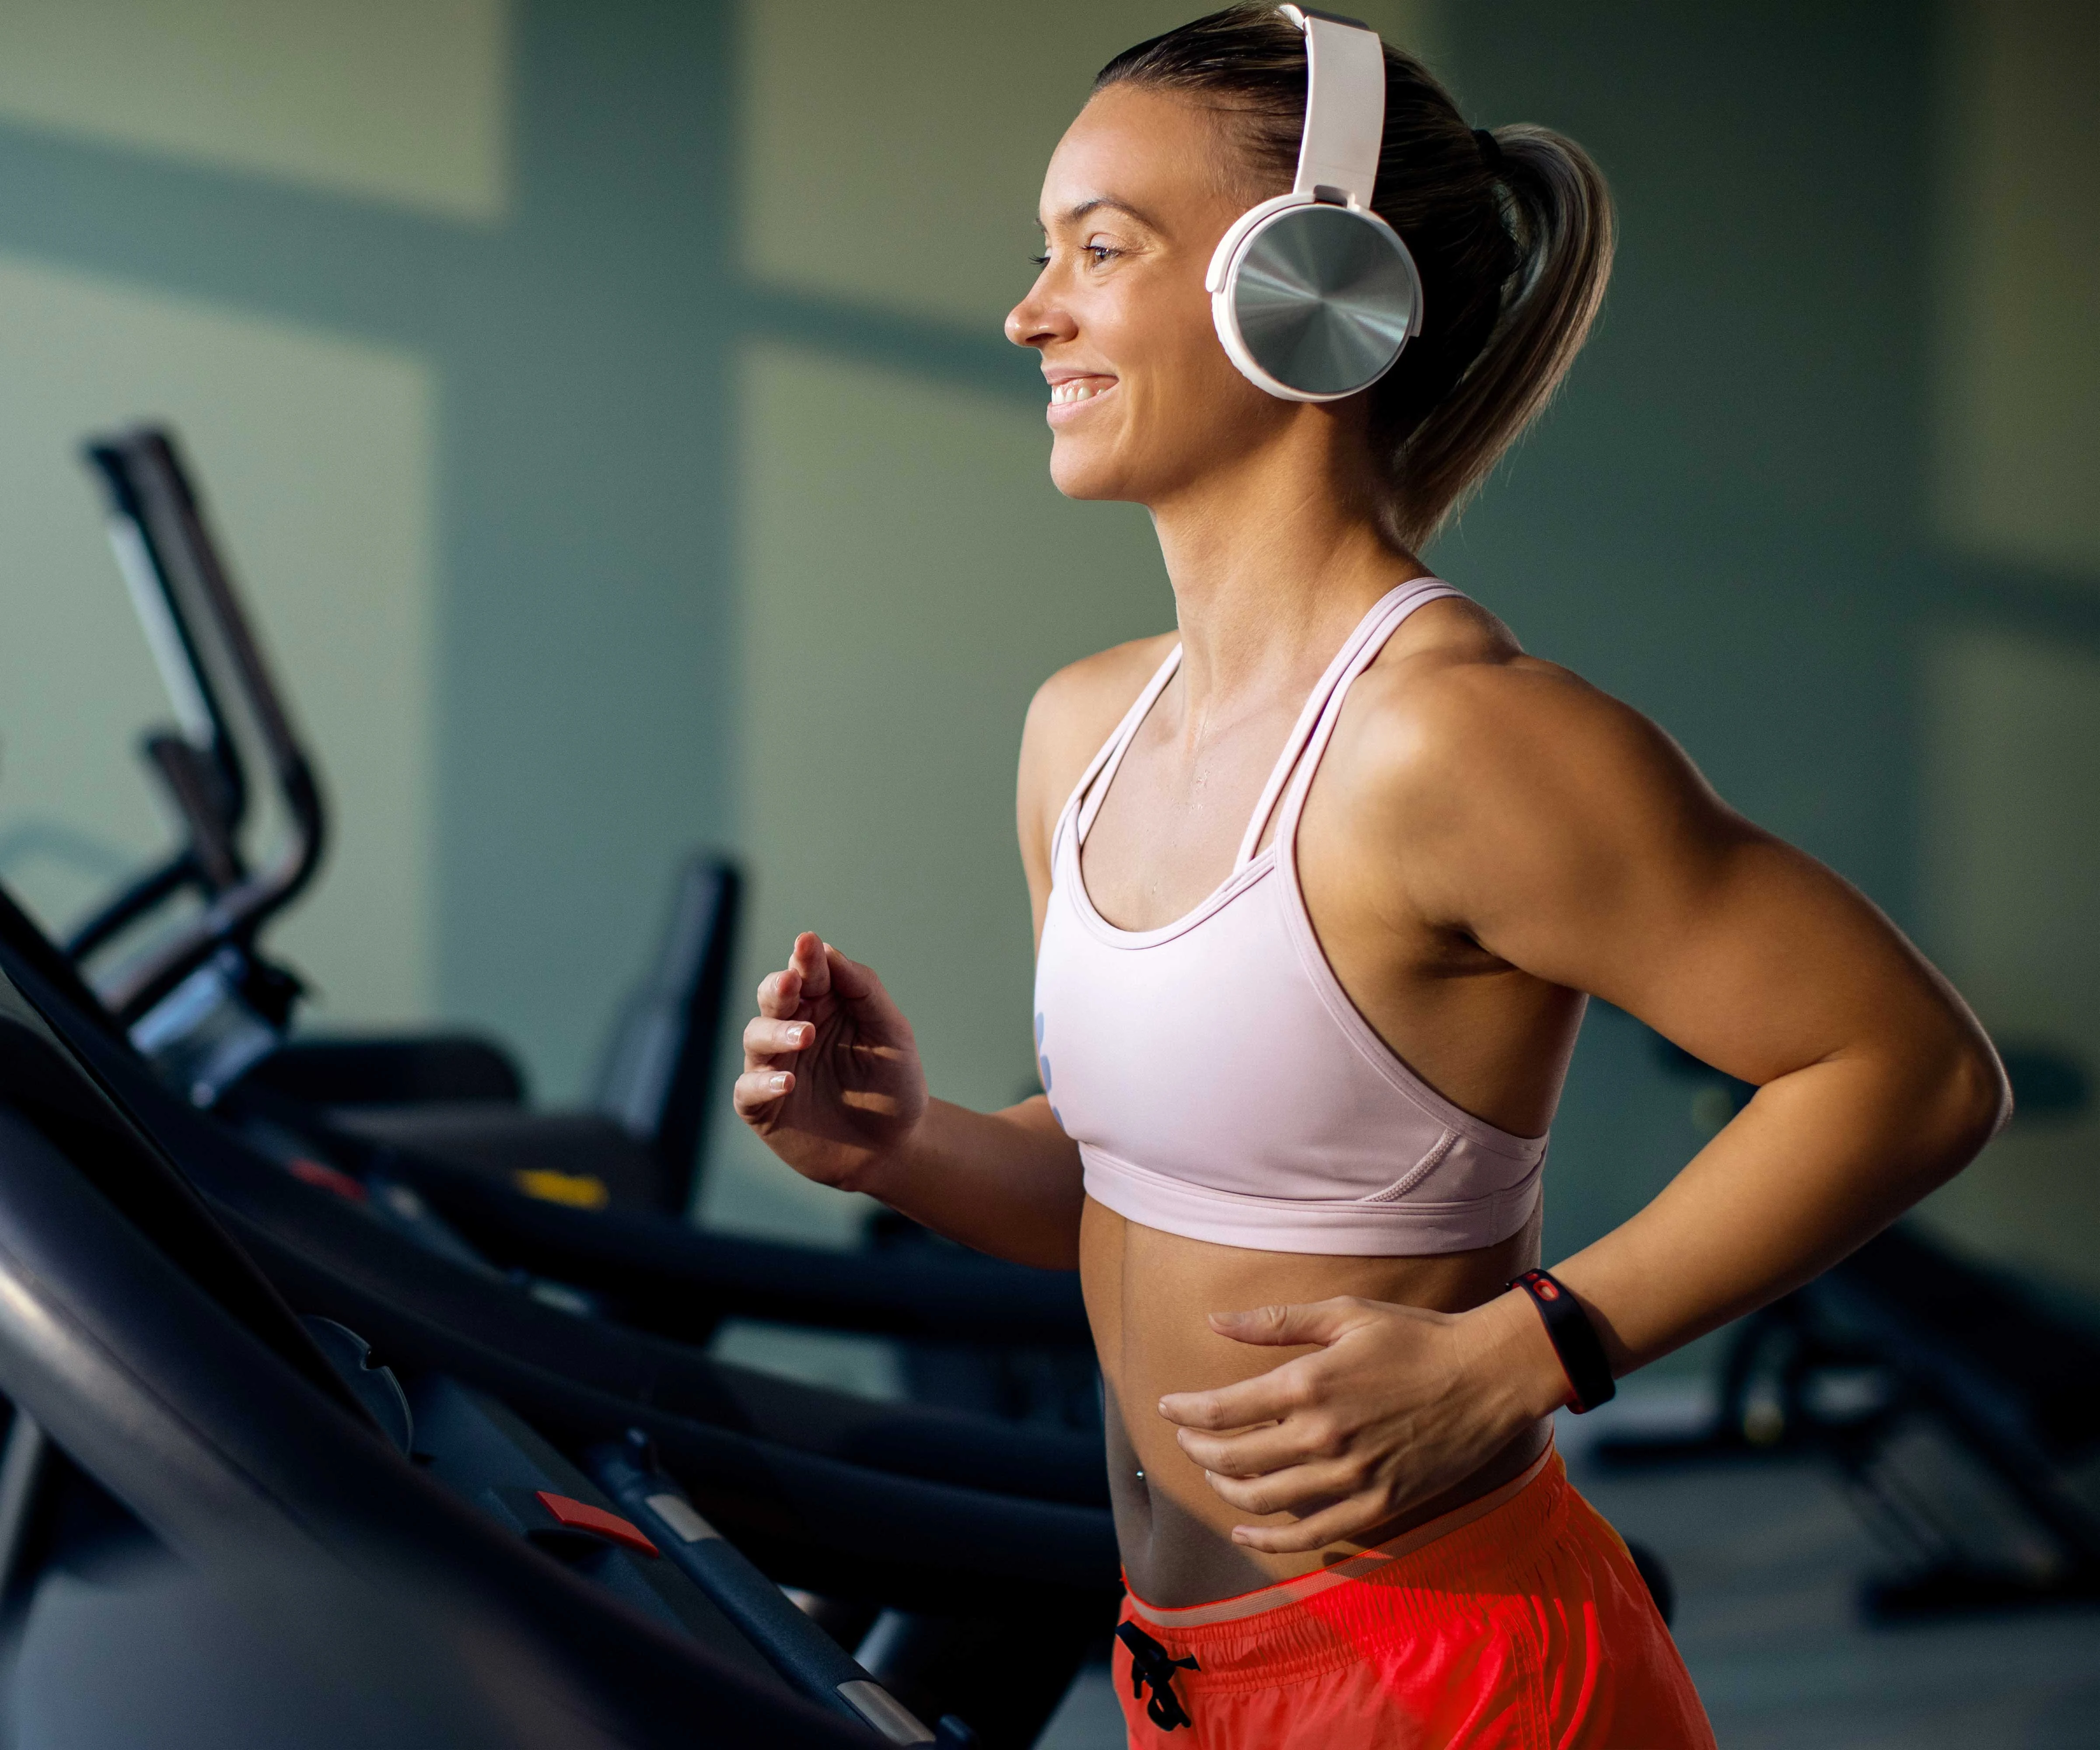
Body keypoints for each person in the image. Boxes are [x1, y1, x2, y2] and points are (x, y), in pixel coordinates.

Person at [734, 7, 2006, 1744]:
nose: (1033, 311)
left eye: (1101, 252)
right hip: (1189, 1674)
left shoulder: (1456, 742)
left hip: (1455, 1675)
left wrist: (1528, 1350)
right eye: (1044, 257)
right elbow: (1136, 1192)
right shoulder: (1083, 730)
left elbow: (1914, 1067)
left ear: (1305, 280)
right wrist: (902, 1142)